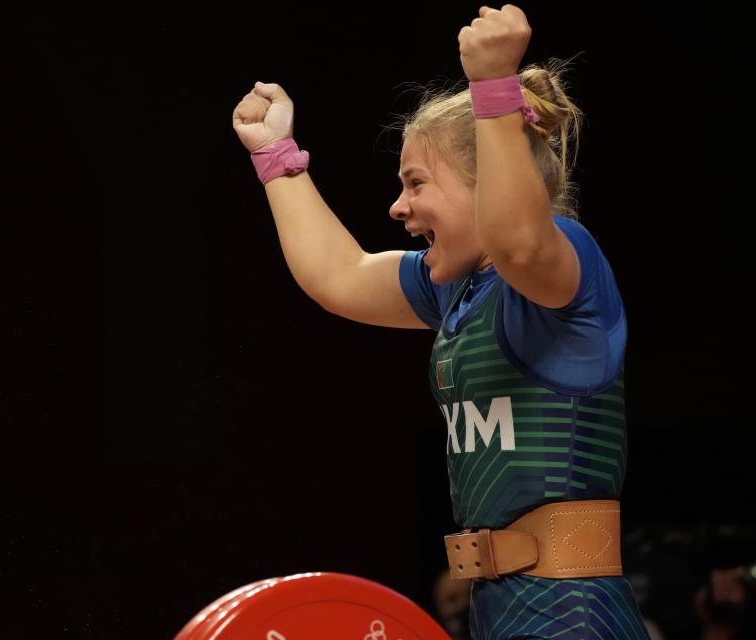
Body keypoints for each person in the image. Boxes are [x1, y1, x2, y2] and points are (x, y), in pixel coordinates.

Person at [232, 4, 649, 639]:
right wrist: (274, 153)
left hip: (573, 617)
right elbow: (338, 275)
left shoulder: (564, 266)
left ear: (488, 183)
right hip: (496, 611)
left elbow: (514, 240)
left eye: (416, 182)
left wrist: (492, 84)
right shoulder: (457, 291)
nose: (399, 206)